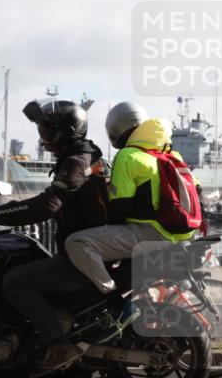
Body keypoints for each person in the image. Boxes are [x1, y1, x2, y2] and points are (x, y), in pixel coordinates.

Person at [0, 98, 107, 377]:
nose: (42, 136)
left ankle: (58, 345)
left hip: (81, 258)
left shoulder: (76, 163)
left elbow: (47, 205)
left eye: (46, 130)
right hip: (83, 250)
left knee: (15, 281)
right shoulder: (81, 157)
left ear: (65, 131)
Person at [65, 102, 194, 301]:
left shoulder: (128, 155)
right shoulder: (169, 154)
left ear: (115, 129)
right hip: (181, 233)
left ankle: (108, 294)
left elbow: (119, 209)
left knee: (77, 242)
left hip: (152, 233)